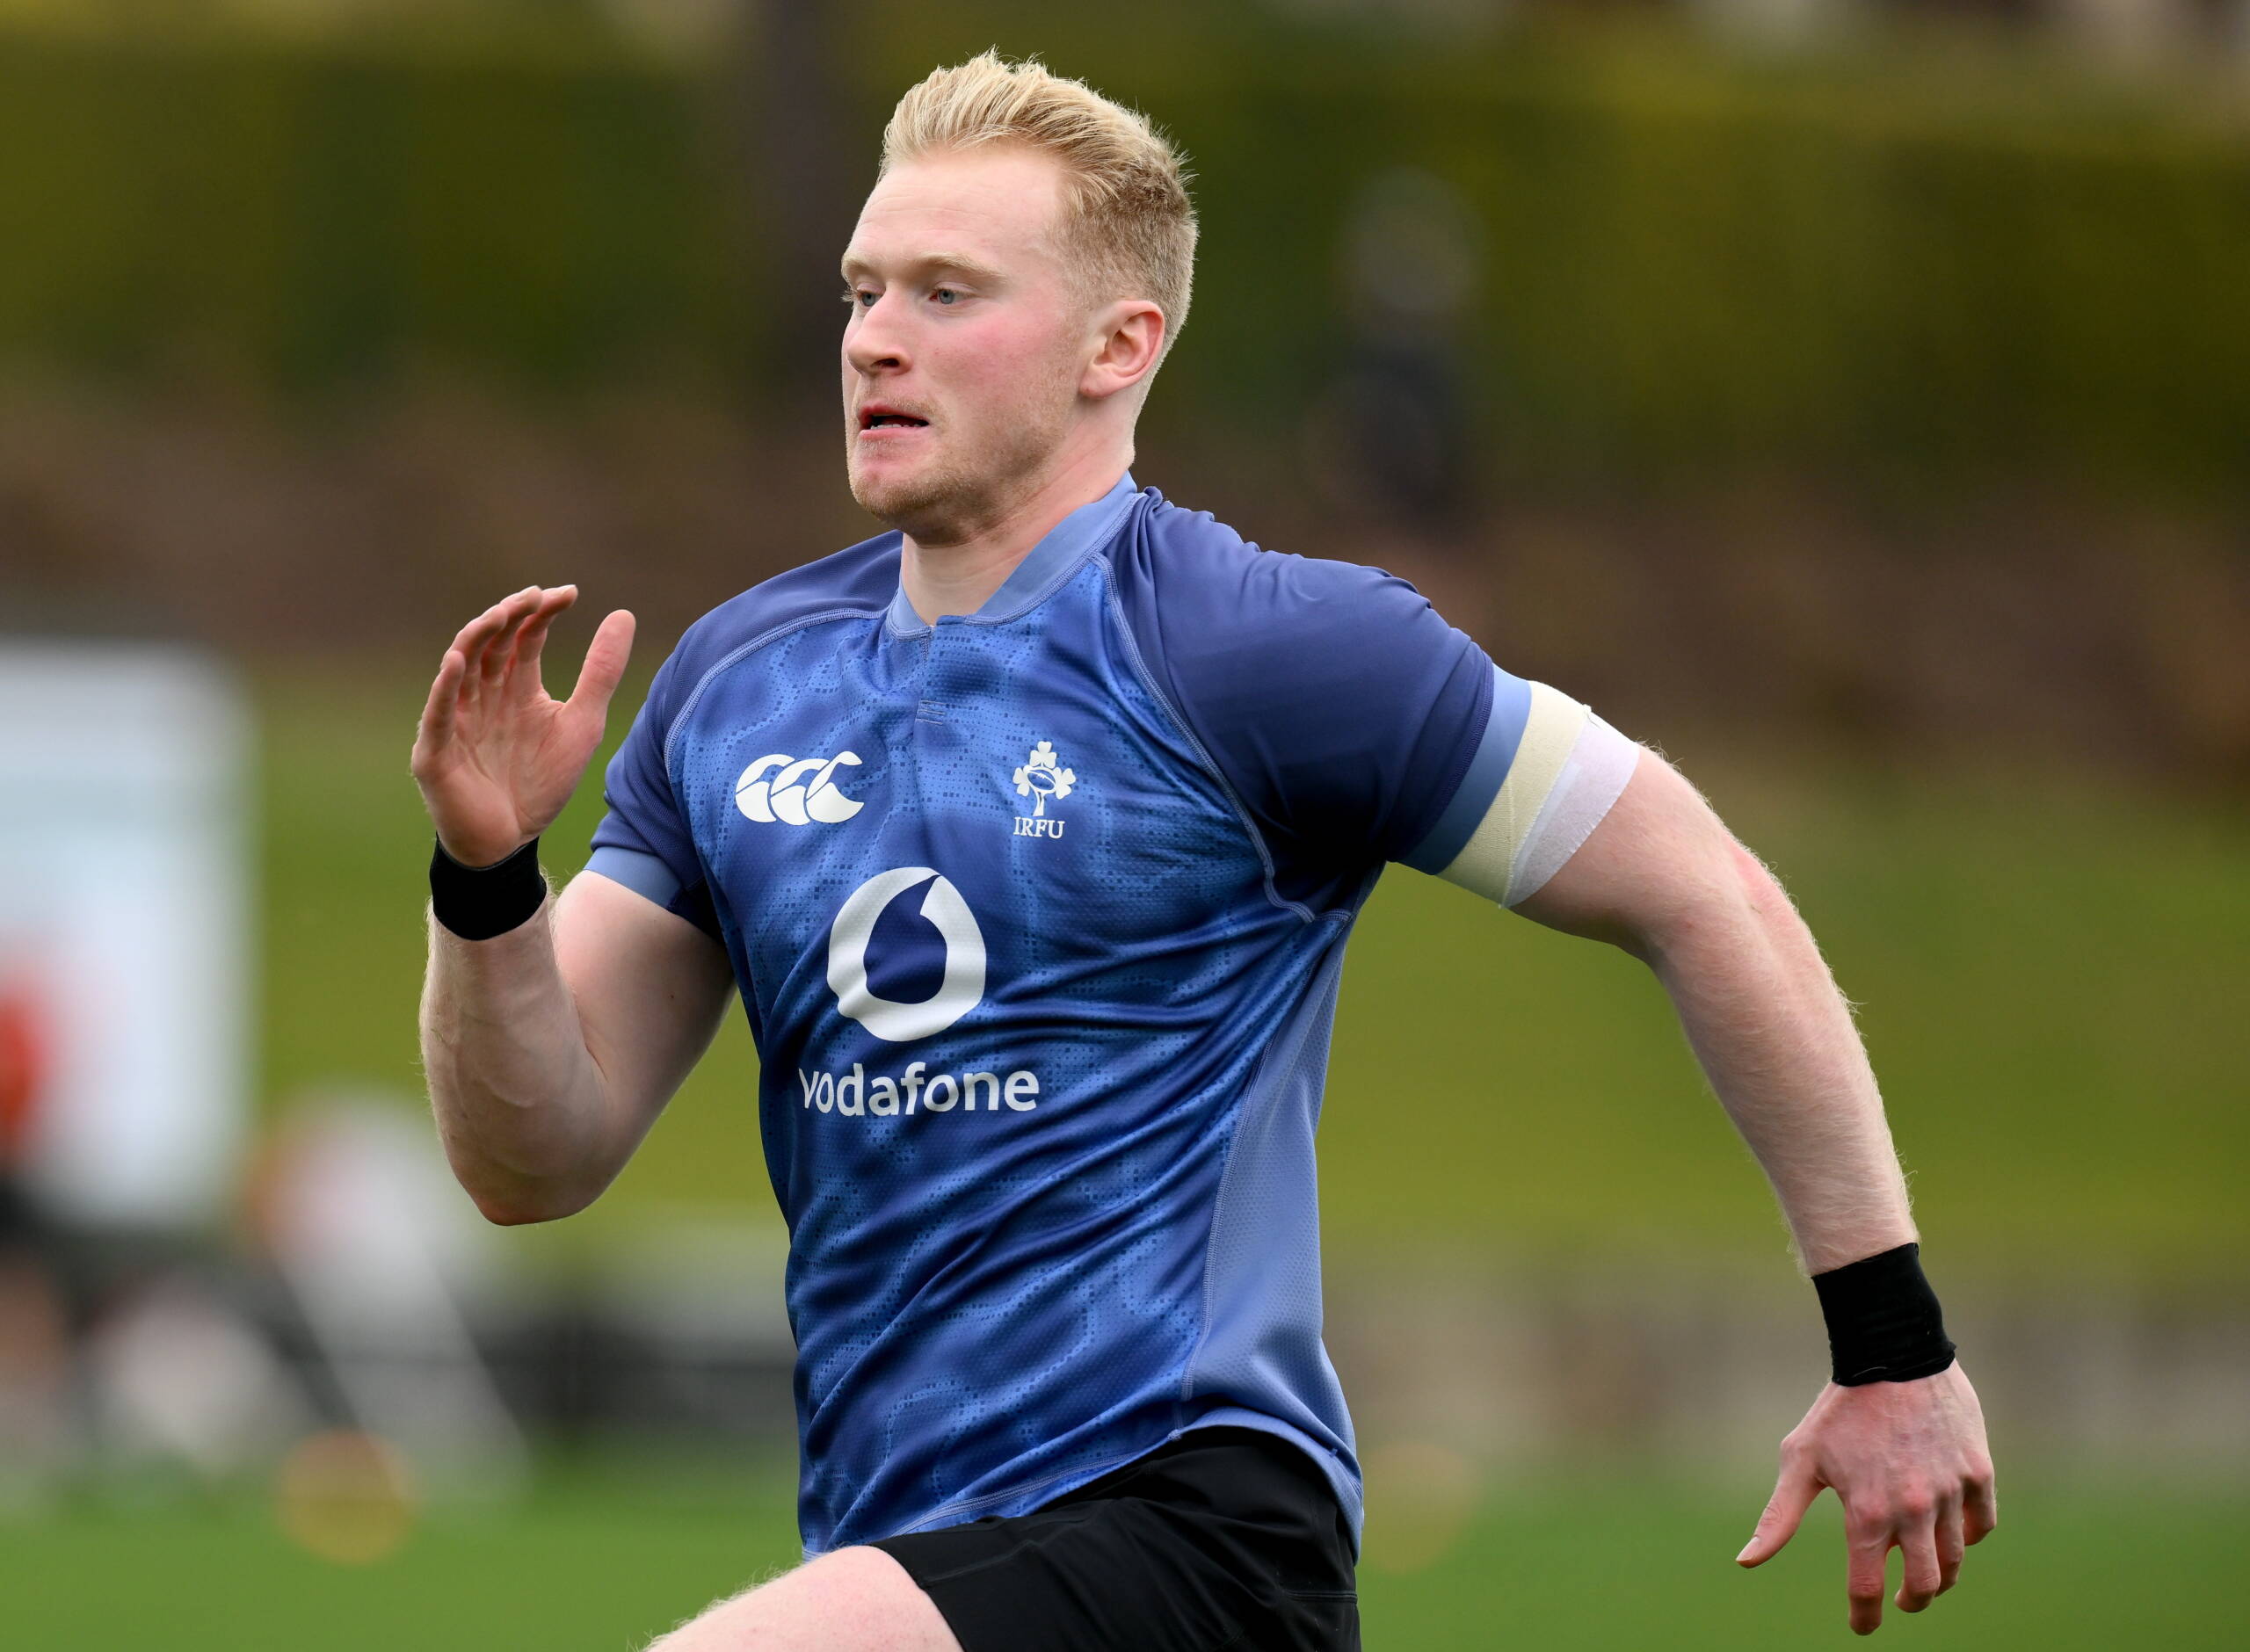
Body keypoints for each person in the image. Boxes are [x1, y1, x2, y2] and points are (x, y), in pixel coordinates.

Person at [411, 54, 1995, 1652]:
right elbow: (533, 1159)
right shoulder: (740, 687)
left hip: (1194, 1542)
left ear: (1121, 345)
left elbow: (1703, 888)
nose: (875, 337)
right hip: (912, 1549)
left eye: (948, 293)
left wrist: (1893, 1348)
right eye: (862, 290)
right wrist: (485, 879)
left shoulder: (1263, 652)